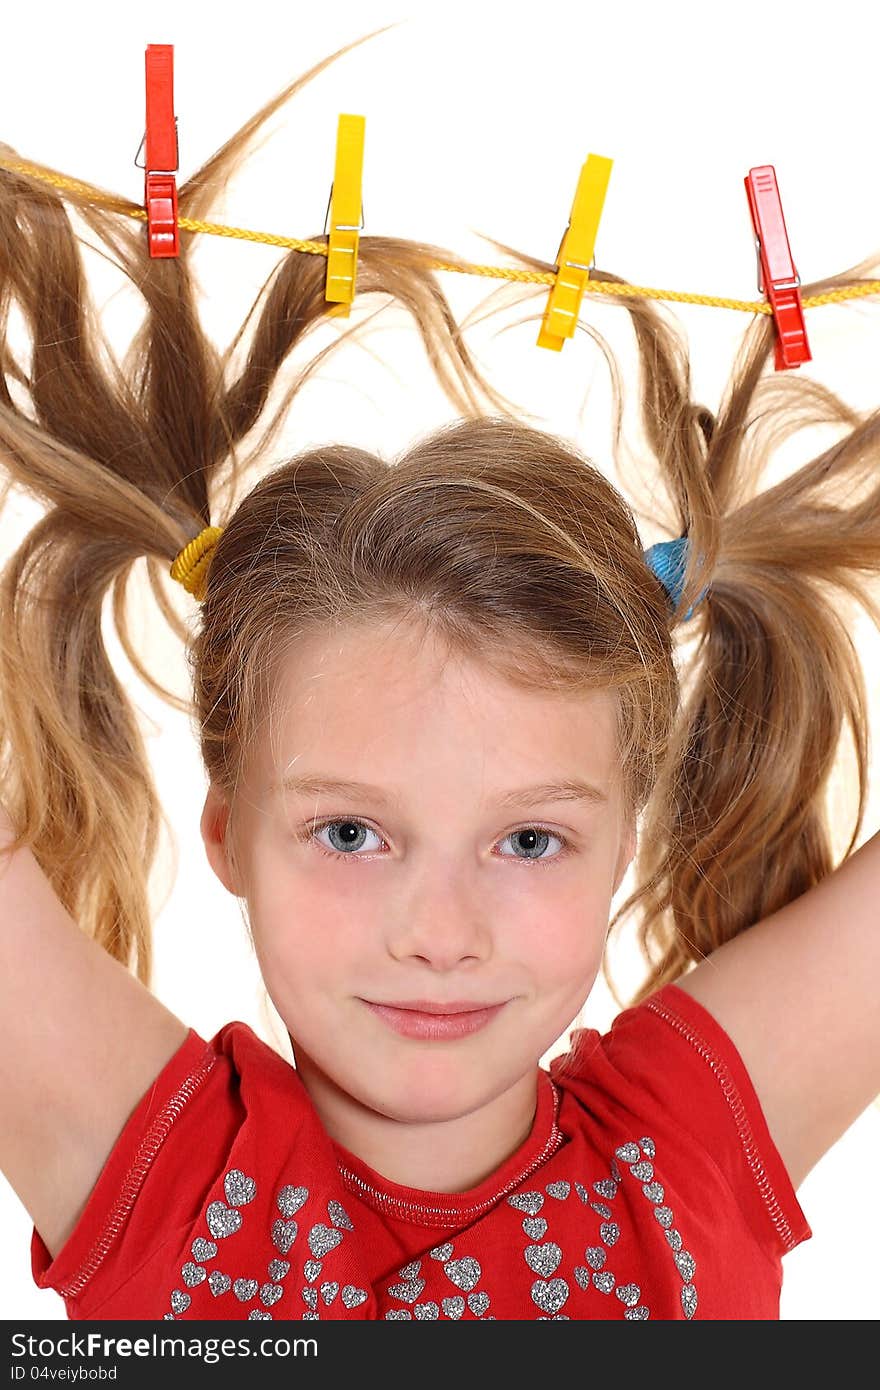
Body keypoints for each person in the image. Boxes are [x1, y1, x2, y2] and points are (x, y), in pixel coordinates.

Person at [0, 33, 878, 1322]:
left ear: (626, 835)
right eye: (350, 831)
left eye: (529, 839)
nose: (440, 933)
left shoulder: (679, 1157)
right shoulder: (166, 1182)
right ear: (228, 830)